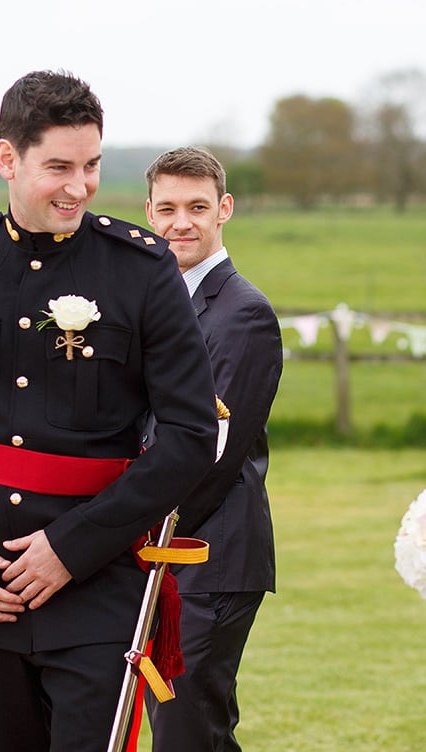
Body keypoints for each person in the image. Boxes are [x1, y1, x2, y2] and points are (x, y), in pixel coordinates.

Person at [0, 70, 220, 752]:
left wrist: (71, 549)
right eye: (59, 167)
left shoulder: (142, 269)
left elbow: (190, 435)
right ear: (8, 159)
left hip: (99, 588)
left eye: (92, 165)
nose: (79, 186)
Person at [141, 146, 283, 752]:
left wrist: (128, 527)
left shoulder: (243, 314)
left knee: (188, 729)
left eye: (197, 207)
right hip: (163, 553)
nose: (182, 222)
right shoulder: (155, 303)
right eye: (168, 208)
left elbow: (212, 455)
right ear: (149, 212)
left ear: (223, 209)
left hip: (209, 555)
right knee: (183, 726)